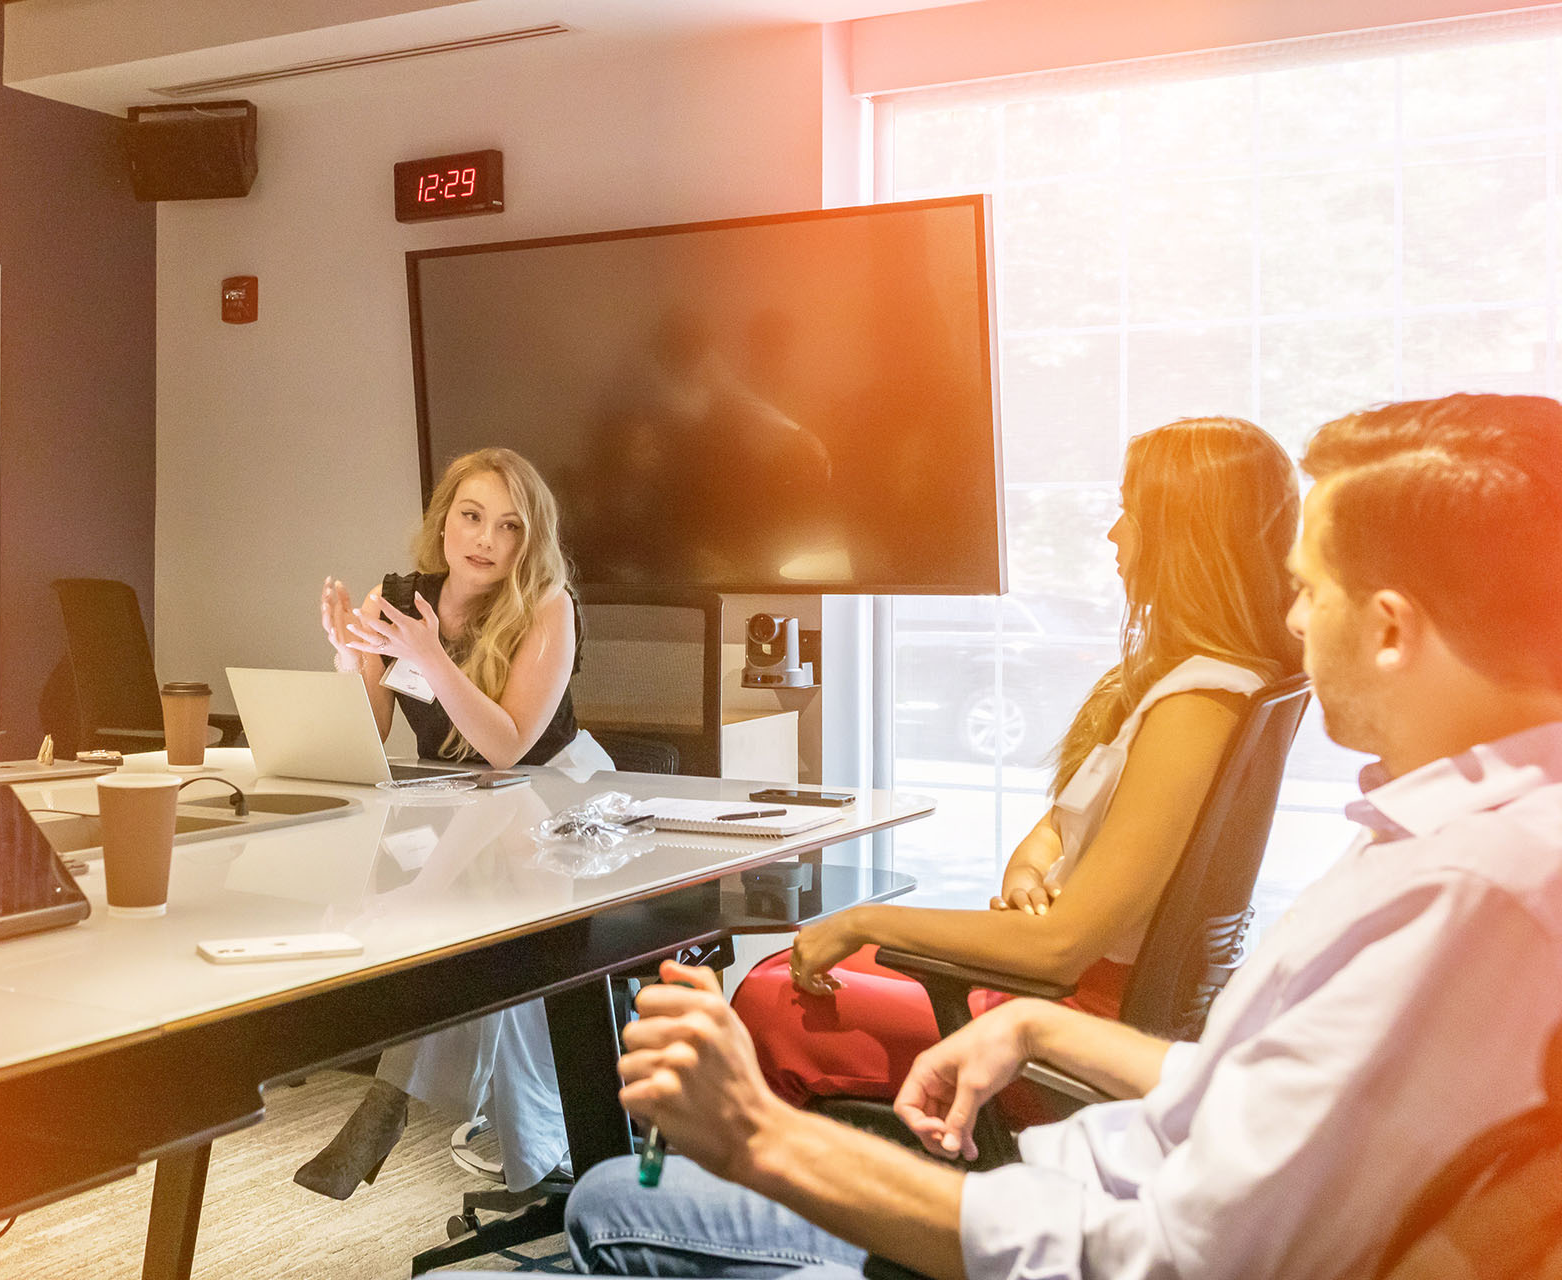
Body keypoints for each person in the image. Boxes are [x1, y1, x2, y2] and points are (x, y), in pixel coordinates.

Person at [444, 393, 1562, 1280]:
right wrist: (1029, 1019)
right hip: (1087, 1156)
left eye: (1313, 590)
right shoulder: (1440, 841)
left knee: (626, 1180)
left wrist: (756, 1138)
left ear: (1392, 629)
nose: (1291, 618)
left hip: (1070, 1213)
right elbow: (1245, 1091)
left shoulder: (1461, 891)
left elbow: (1175, 1250)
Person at [733, 417, 1300, 1108]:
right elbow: (1069, 826)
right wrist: (1032, 864)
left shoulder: (1198, 704)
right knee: (803, 965)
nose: (1114, 534)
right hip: (1071, 995)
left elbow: (1060, 948)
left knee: (772, 998)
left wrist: (862, 919)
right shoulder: (1213, 685)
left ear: (1186, 536)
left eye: (1130, 512)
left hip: (1071, 1022)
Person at [295, 446, 610, 1201]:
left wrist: (429, 654)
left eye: (508, 526)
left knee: (467, 912)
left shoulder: (547, 604)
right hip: (464, 800)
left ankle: (390, 1100)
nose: (486, 539)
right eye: (471, 516)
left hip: (556, 795)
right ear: (444, 522)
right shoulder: (395, 596)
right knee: (449, 910)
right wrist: (351, 661)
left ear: (527, 540)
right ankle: (517, 1143)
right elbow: (369, 740)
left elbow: (508, 747)